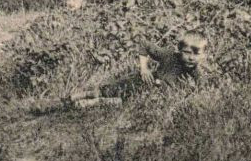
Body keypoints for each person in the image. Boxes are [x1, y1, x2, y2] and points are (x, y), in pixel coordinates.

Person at [38, 30, 212, 112]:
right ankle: (69, 99)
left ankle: (82, 105)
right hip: (140, 81)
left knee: (118, 102)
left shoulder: (195, 71)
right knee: (107, 90)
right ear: (179, 51)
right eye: (187, 53)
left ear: (203, 55)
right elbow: (144, 45)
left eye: (196, 55)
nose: (191, 58)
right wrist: (144, 69)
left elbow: (201, 88)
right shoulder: (168, 55)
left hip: (147, 95)